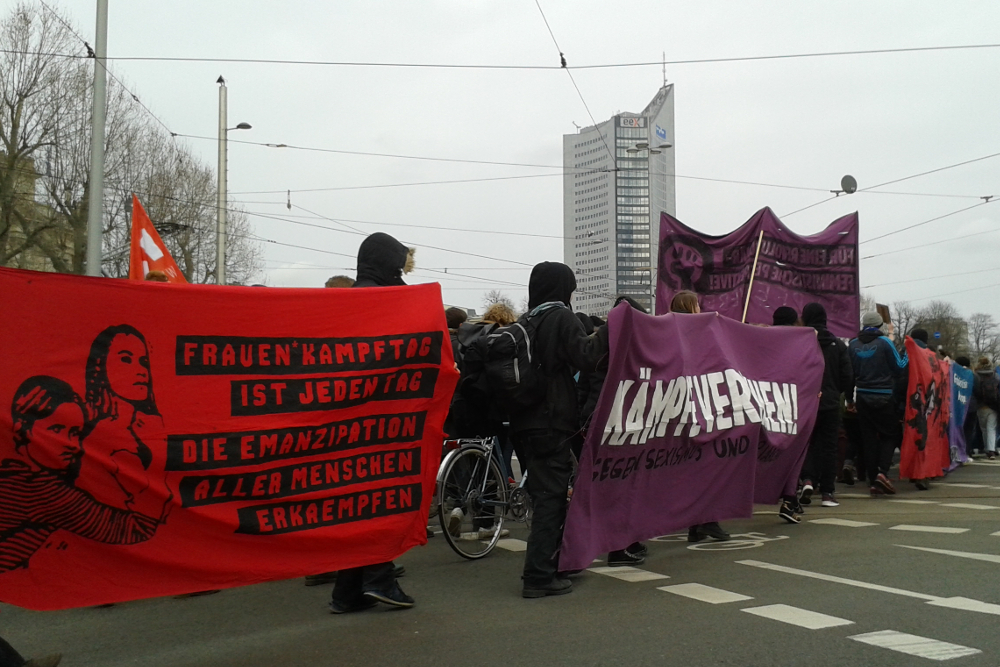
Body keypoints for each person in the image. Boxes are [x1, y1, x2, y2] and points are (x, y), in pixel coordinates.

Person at [329, 232, 416, 613]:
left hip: (344, 420)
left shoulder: (347, 300)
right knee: (379, 501)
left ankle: (347, 592)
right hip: (380, 419)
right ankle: (379, 580)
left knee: (354, 503)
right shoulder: (383, 300)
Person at [512, 262, 608, 598]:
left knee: (544, 494)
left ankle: (557, 562)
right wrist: (611, 329)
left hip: (524, 421)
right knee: (553, 497)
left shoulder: (528, 320)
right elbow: (588, 357)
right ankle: (540, 575)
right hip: (551, 419)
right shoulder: (560, 317)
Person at [1, 376, 162, 573]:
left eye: (76, 433)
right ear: (21, 431)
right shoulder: (38, 488)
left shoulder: (13, 472)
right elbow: (136, 529)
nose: (71, 444)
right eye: (56, 430)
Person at [669, 291, 731, 541]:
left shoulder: (668, 329)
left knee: (693, 465)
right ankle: (707, 519)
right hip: (699, 405)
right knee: (709, 463)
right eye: (696, 305)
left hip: (676, 406)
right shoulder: (697, 332)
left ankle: (698, 523)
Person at [799, 303, 854, 509]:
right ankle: (828, 492)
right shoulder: (838, 345)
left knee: (806, 444)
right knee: (829, 447)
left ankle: (807, 480)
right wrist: (838, 393)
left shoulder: (800, 342)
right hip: (830, 403)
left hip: (805, 402)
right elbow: (848, 376)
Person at [848, 312, 908, 497]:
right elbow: (899, 367)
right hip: (883, 395)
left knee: (868, 437)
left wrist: (850, 399)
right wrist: (907, 354)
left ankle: (871, 476)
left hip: (862, 397)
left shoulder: (852, 344)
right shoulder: (885, 343)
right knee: (890, 434)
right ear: (880, 325)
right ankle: (882, 473)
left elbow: (849, 374)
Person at [973, 357, 999, 460]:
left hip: (981, 406)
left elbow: (975, 391)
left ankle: (987, 448)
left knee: (984, 429)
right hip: (993, 406)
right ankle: (992, 450)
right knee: (992, 428)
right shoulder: (995, 375)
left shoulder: (976, 376)